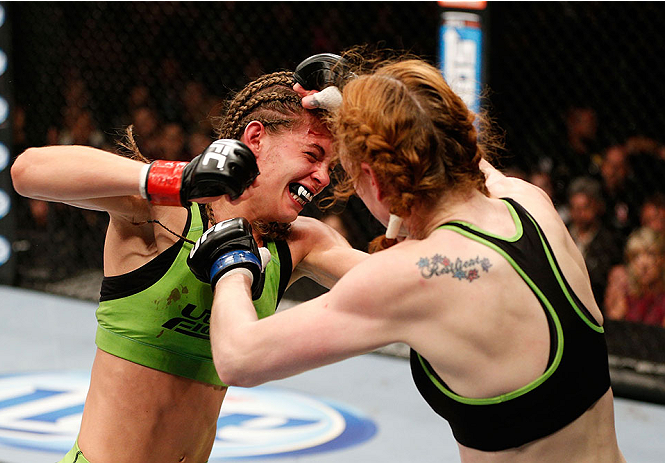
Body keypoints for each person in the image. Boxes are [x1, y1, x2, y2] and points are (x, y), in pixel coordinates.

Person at [202, 56, 626, 462]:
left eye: (348, 172)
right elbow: (445, 140)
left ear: (374, 179)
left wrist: (233, 261)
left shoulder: (414, 275)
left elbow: (240, 356)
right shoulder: (528, 203)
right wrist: (360, 104)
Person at [11, 69, 367, 463]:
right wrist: (174, 177)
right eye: (312, 155)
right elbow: (27, 172)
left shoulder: (303, 242)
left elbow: (397, 280)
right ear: (255, 139)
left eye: (329, 168)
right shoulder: (164, 213)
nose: (321, 178)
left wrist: (384, 127)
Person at [565, 176, 623, 308]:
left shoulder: (609, 240)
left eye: (585, 207)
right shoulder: (562, 232)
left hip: (595, 301)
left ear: (598, 206)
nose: (580, 213)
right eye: (575, 208)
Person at [604, 227, 665, 326]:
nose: (644, 264)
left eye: (652, 254)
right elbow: (611, 332)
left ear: (662, 259)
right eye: (636, 256)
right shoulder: (623, 289)